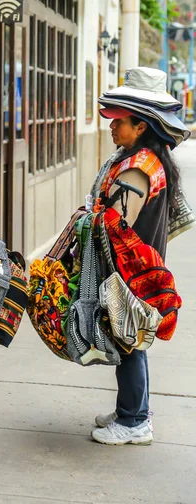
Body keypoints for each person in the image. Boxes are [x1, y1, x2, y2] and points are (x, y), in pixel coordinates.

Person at [90, 67, 188, 446]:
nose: (112, 126)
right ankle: (134, 411)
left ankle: (133, 421)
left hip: (130, 271)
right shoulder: (146, 159)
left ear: (142, 125)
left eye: (119, 121)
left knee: (128, 341)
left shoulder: (137, 168)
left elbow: (115, 224)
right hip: (141, 266)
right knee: (131, 339)